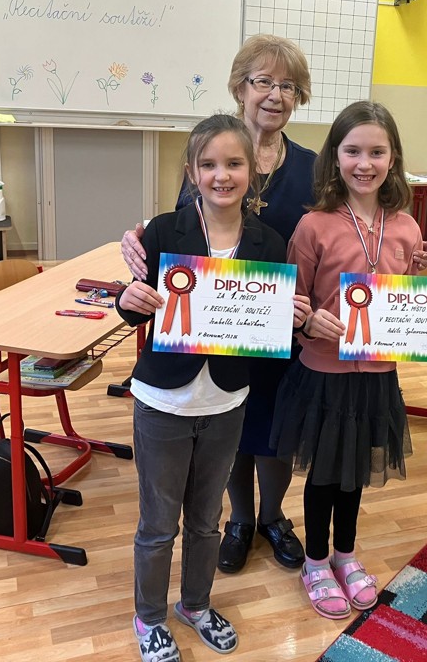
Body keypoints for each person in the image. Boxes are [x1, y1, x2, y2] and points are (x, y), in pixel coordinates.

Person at [121, 35, 427, 576]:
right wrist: (139, 239)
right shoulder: (213, 152)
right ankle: (240, 520)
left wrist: (403, 265)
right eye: (263, 81)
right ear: (239, 87)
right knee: (233, 424)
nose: (275, 95)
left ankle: (273, 517)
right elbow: (184, 231)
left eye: (288, 86)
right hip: (225, 322)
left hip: (292, 322)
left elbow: (348, 228)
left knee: (276, 427)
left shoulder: (313, 166)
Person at [269, 100, 427, 619]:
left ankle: (345, 555)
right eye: (353, 151)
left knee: (355, 471)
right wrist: (308, 321)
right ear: (335, 156)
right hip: (323, 373)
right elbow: (292, 301)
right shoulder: (313, 225)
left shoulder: (405, 227)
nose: (365, 163)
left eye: (377, 152)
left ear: (393, 157)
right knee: (323, 475)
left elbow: (401, 302)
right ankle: (316, 562)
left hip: (378, 375)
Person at [116, 114, 308, 662]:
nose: (221, 175)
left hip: (226, 401)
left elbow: (265, 328)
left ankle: (195, 605)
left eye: (234, 164)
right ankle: (150, 617)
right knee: (159, 524)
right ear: (191, 171)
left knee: (206, 522)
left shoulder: (269, 243)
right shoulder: (162, 232)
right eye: (208, 164)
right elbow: (137, 308)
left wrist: (291, 318)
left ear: (252, 172)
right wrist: (127, 301)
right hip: (163, 401)